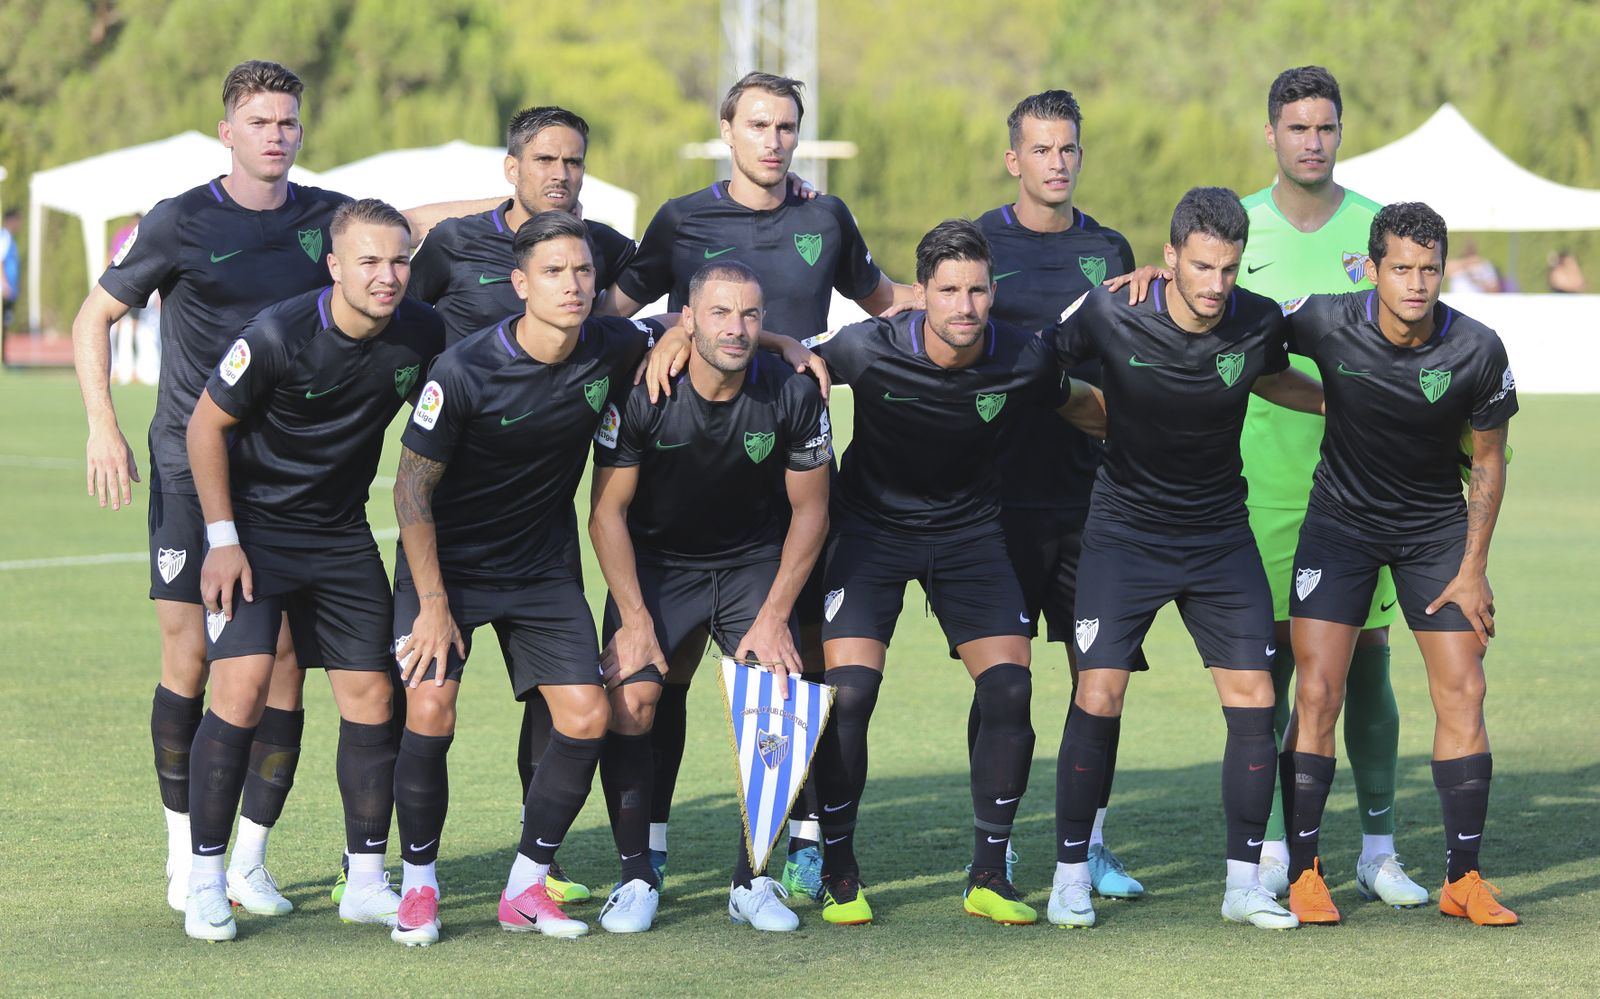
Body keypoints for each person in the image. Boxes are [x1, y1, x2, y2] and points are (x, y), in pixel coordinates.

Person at [601, 71, 912, 898]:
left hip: (793, 469)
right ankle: (652, 844)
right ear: (728, 131)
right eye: (758, 124)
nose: (773, 140)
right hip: (693, 472)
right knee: (658, 678)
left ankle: (802, 838)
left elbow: (887, 305)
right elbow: (608, 312)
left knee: (801, 670)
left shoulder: (826, 215)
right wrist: (671, 328)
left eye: (786, 127)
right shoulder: (681, 218)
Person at [72, 60, 354, 918]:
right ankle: (183, 851)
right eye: (260, 121)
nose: (276, 134)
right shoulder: (180, 220)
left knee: (282, 665)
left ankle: (251, 861)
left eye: (288, 122)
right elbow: (94, 318)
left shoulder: (325, 216)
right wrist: (102, 426)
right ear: (227, 132)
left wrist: (527, 206)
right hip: (190, 470)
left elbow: (411, 229)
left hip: (288, 479)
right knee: (191, 655)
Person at [795, 218, 1103, 927]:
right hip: (870, 532)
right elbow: (787, 359)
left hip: (969, 535)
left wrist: (1147, 426)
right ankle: (838, 869)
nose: (965, 306)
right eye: (949, 291)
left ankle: (989, 874)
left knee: (1009, 688)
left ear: (992, 292)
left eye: (977, 290)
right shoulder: (867, 348)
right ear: (921, 295)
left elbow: (1085, 405)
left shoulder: (1022, 359)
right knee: (850, 693)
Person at [1049, 187, 1325, 931]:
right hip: (1123, 531)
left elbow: (1270, 374)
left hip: (1216, 533)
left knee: (1255, 701)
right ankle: (1070, 874)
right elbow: (1042, 364)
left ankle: (1243, 883)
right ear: (1168, 257)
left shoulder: (1258, 321)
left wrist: (1345, 405)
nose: (1214, 286)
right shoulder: (1111, 309)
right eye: (1201, 266)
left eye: (1229, 269)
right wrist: (1092, 415)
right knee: (1098, 693)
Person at [387, 212, 665, 944]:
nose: (572, 285)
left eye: (582, 272)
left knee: (586, 715)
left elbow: (698, 324)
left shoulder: (609, 345)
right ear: (520, 285)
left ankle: (524, 886)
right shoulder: (465, 368)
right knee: (430, 710)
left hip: (540, 566)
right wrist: (435, 604)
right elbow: (410, 492)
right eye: (553, 272)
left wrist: (787, 343)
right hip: (446, 566)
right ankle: (417, 886)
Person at [182, 198, 446, 941]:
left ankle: (365, 878)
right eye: (368, 261)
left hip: (340, 534)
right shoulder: (276, 333)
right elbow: (205, 425)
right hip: (256, 531)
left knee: (371, 693)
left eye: (398, 260)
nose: (387, 276)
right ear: (334, 266)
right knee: (238, 689)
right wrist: (223, 536)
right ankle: (206, 877)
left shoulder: (421, 333)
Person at [1281, 202, 1520, 927]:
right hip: (1340, 526)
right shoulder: (1324, 319)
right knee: (1318, 693)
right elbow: (1234, 328)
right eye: (1401, 268)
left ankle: (1463, 877)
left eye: (1428, 269)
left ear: (1442, 269)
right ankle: (1304, 872)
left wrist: (1474, 566)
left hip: (1433, 531)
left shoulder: (1478, 348)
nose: (1415, 283)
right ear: (1373, 268)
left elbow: (1486, 462)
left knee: (1464, 690)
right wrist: (1328, 400)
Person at [588, 259, 831, 933]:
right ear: (687, 320)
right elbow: (605, 513)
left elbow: (811, 513)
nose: (737, 327)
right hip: (660, 561)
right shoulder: (643, 392)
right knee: (634, 694)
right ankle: (637, 873)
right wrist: (634, 621)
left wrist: (777, 614)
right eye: (720, 313)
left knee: (779, 688)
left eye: (751, 315)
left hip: (753, 560)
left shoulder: (791, 391)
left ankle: (752, 879)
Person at [1237, 65, 1428, 907]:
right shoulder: (1236, 228)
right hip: (1261, 481)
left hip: (1371, 485)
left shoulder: (1376, 230)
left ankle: (1378, 849)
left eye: (1325, 127)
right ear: (1271, 133)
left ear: (1340, 132)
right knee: (1275, 666)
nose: (1312, 141)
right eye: (1297, 127)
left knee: (1369, 666)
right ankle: (1279, 845)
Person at [973, 88, 1148, 899]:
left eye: (1068, 148)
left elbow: (1127, 364)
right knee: (1004, 683)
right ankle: (998, 848)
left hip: (1093, 504)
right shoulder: (976, 242)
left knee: (1099, 677)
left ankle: (1091, 843)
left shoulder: (1110, 248)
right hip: (997, 499)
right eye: (1041, 149)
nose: (1057, 162)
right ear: (1014, 159)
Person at [1, 209, 20, 330]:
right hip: (3, 290)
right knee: (2, 325)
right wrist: (4, 283)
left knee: (5, 324)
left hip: (9, 289)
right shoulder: (4, 237)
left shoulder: (10, 238)